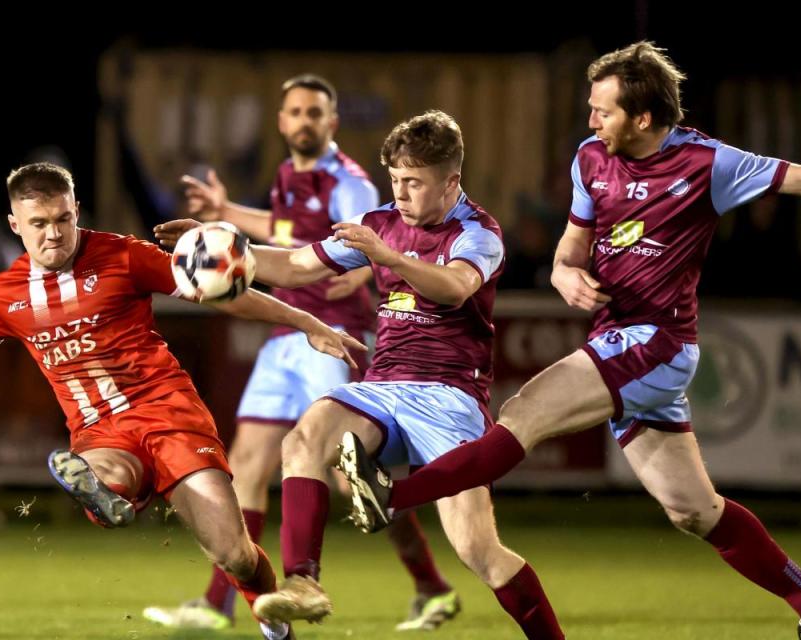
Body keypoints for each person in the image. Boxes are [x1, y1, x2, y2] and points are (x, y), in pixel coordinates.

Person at [336, 42, 801, 638]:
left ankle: (394, 493)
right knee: (695, 512)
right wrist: (564, 273)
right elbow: (570, 247)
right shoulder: (590, 158)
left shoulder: (707, 164)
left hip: (656, 341)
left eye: (602, 110)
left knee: (523, 413)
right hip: (623, 342)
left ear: (642, 118)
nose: (589, 121)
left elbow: (800, 180)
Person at [0, 162, 367, 640]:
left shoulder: (124, 256)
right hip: (100, 432)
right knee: (100, 470)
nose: (54, 233)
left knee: (233, 553)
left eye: (63, 218)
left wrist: (307, 323)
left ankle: (273, 624)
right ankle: (105, 492)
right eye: (39, 223)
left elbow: (221, 292)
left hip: (170, 413)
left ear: (76, 209)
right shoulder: (4, 294)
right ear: (15, 223)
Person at [158, 110, 566, 639]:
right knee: (304, 438)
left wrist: (386, 254)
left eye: (414, 182)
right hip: (382, 387)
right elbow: (298, 265)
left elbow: (453, 288)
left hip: (449, 397)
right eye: (395, 179)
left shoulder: (478, 232)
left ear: (451, 181)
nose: (401, 192)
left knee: (479, 551)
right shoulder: (381, 224)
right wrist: (224, 249)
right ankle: (304, 583)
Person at [145, 74, 459, 632]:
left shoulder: (352, 183)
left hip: (329, 334)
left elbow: (376, 241)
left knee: (346, 475)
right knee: (245, 464)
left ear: (331, 123)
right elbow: (288, 233)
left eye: (316, 112)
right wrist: (227, 215)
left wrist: (365, 278)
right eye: (295, 111)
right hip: (282, 338)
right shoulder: (290, 175)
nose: (305, 120)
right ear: (282, 121)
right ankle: (220, 602)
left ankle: (430, 586)